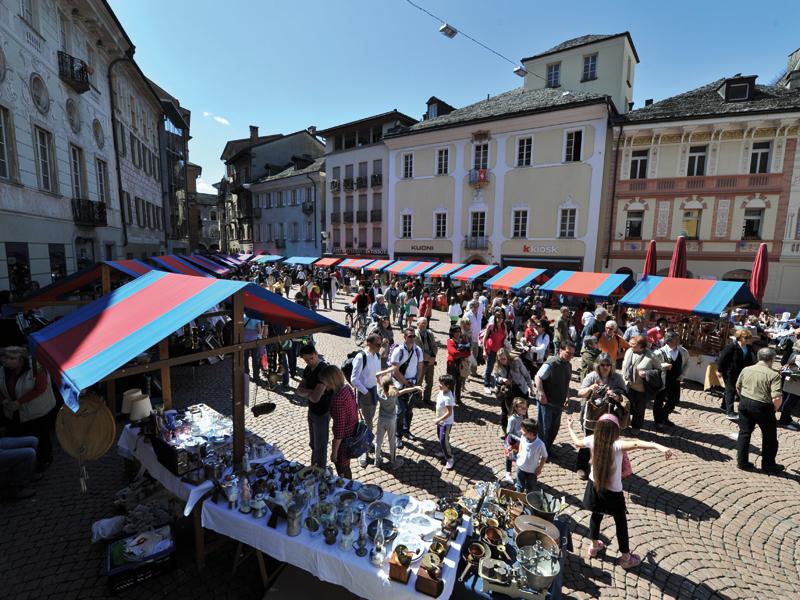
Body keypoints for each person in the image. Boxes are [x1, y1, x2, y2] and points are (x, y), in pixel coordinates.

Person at [565, 413, 673, 570]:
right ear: (615, 431)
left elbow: (576, 442)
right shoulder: (616, 445)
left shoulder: (592, 440)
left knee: (596, 515)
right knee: (620, 522)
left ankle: (594, 545)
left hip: (594, 486)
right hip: (613, 492)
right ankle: (626, 558)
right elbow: (636, 443)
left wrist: (569, 427)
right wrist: (659, 446)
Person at [1, 347, 57, 469]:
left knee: (41, 436)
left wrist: (19, 402)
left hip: (38, 411)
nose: (6, 363)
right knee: (21, 437)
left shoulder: (36, 366)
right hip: (15, 412)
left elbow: (41, 388)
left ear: (19, 358)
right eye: (4, 361)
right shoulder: (3, 370)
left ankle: (44, 461)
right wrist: (4, 400)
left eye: (10, 360)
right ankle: (26, 464)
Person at [576, 353, 628, 480]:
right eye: (602, 365)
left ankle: (602, 467)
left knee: (607, 443)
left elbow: (624, 396)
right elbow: (580, 393)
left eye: (608, 365)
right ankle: (581, 466)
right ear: (598, 365)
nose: (605, 367)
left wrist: (615, 396)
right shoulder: (592, 376)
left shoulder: (617, 378)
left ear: (612, 366)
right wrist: (590, 389)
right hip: (592, 415)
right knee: (588, 441)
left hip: (609, 416)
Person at [735, 347, 784, 472]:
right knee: (770, 437)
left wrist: (745, 399)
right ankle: (768, 464)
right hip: (763, 406)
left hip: (745, 402)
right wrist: (774, 409)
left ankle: (742, 462)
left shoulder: (747, 369)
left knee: (744, 433)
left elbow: (738, 387)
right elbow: (777, 397)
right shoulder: (774, 375)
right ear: (772, 360)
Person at [296, 344, 333, 469]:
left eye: (311, 358)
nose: (310, 362)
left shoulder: (324, 370)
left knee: (321, 446)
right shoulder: (308, 369)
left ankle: (319, 471)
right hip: (311, 411)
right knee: (313, 444)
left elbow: (315, 398)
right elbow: (298, 390)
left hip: (322, 412)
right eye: (306, 360)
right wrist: (312, 392)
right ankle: (314, 467)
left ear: (316, 354)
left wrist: (307, 392)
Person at [535, 342, 575, 453]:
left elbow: (566, 382)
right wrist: (541, 393)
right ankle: (539, 452)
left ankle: (547, 449)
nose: (570, 356)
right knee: (544, 429)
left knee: (554, 428)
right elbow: (538, 377)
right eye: (568, 353)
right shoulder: (551, 363)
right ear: (560, 350)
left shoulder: (568, 365)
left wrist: (567, 395)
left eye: (572, 354)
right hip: (547, 403)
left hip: (558, 403)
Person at [318, 365, 358, 479]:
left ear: (330, 381)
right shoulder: (347, 388)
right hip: (352, 433)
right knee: (346, 466)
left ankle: (347, 490)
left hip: (344, 442)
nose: (323, 384)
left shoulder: (337, 399)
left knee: (342, 468)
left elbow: (339, 430)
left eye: (324, 381)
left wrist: (334, 453)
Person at [373, 374, 418, 468]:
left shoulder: (379, 393)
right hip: (391, 421)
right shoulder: (394, 393)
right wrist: (415, 388)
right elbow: (405, 390)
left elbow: (378, 382)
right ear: (391, 384)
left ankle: (377, 460)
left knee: (378, 441)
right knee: (392, 440)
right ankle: (393, 461)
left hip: (381, 420)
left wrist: (378, 378)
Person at [350, 334, 382, 467]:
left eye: (380, 344)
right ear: (369, 343)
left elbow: (377, 375)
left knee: (370, 420)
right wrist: (366, 392)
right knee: (366, 423)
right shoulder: (361, 357)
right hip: (365, 394)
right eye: (377, 344)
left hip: (373, 391)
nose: (380, 347)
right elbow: (354, 379)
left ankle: (368, 442)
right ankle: (363, 451)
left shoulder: (377, 356)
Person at [390, 328, 425, 448]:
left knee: (409, 410)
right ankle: (397, 436)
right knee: (400, 412)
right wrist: (405, 382)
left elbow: (420, 367)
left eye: (413, 336)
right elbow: (394, 370)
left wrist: (416, 382)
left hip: (412, 385)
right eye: (409, 336)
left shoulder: (418, 350)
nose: (412, 339)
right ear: (404, 337)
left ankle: (406, 430)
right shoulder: (398, 351)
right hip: (399, 385)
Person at [621, 336, 661, 433]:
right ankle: (624, 423)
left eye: (633, 344)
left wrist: (647, 374)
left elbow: (659, 371)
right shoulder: (629, 351)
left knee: (639, 409)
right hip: (628, 385)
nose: (630, 346)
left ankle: (636, 427)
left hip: (641, 389)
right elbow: (624, 365)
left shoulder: (651, 356)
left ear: (641, 346)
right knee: (625, 405)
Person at [652, 331, 689, 430]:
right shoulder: (659, 352)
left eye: (678, 338)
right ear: (668, 341)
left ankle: (664, 416)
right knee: (659, 401)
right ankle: (658, 421)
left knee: (674, 401)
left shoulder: (683, 352)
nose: (678, 341)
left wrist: (682, 375)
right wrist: (662, 365)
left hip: (675, 380)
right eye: (676, 339)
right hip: (662, 381)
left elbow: (687, 364)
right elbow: (652, 365)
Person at [716, 330, 755, 420]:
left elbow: (749, 360)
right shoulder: (731, 347)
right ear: (740, 338)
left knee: (729, 390)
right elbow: (722, 358)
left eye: (749, 338)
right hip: (730, 372)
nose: (748, 340)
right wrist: (719, 370)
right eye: (746, 338)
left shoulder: (748, 348)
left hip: (741, 373)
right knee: (731, 390)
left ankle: (724, 405)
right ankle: (730, 412)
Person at [494, 347, 532, 432]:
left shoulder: (516, 361)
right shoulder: (497, 366)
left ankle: (526, 430)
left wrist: (531, 387)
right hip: (507, 392)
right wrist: (502, 380)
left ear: (507, 356)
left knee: (523, 411)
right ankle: (505, 431)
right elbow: (496, 378)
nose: (502, 361)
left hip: (520, 389)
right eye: (500, 360)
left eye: (504, 359)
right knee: (505, 411)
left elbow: (526, 374)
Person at [515, 418, 547, 493]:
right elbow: (521, 444)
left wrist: (539, 468)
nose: (520, 431)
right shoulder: (523, 437)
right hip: (520, 468)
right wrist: (519, 453)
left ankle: (528, 499)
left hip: (532, 471)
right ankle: (518, 496)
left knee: (531, 487)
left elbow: (544, 456)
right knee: (519, 485)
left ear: (530, 433)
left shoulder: (540, 444)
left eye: (523, 430)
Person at [482, 307, 508, 393]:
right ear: (495, 318)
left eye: (501, 317)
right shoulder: (491, 326)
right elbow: (484, 339)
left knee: (500, 369)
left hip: (500, 351)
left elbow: (506, 338)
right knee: (489, 368)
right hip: (492, 350)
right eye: (497, 317)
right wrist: (484, 351)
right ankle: (487, 385)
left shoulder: (504, 326)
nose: (499, 319)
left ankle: (498, 385)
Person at [434, 374, 456, 470]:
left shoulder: (448, 398)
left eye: (441, 384)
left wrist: (439, 419)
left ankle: (450, 458)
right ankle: (444, 451)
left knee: (443, 440)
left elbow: (449, 412)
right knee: (440, 437)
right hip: (441, 422)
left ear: (448, 386)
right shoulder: (442, 391)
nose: (439, 385)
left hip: (446, 423)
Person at [415, 317, 438, 407]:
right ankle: (417, 400)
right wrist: (429, 359)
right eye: (422, 323)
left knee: (429, 381)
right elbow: (418, 350)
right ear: (418, 324)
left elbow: (435, 346)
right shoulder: (416, 335)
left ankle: (427, 399)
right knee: (419, 381)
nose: (424, 324)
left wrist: (433, 357)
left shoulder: (429, 333)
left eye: (425, 323)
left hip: (431, 361)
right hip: (421, 361)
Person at [503, 398, 527, 482]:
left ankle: (520, 474)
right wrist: (519, 439)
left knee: (519, 457)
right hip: (511, 442)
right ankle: (508, 473)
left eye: (525, 407)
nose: (525, 409)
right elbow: (509, 432)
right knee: (509, 457)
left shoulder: (523, 416)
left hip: (519, 442)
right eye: (522, 408)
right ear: (516, 408)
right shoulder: (512, 419)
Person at [447, 325, 471, 405]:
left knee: (459, 383)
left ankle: (458, 400)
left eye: (458, 331)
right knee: (451, 383)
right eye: (455, 331)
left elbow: (468, 352)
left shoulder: (462, 340)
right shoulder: (450, 341)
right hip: (452, 365)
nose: (457, 333)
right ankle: (450, 400)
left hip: (460, 365)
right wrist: (463, 353)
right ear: (452, 332)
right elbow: (453, 353)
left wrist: (460, 353)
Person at [779, 352, 800, 431]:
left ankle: (787, 418)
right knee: (790, 401)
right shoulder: (796, 355)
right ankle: (783, 420)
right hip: (794, 382)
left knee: (791, 401)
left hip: (794, 383)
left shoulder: (795, 354)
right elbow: (789, 366)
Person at [466, 301, 482, 375]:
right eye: (474, 307)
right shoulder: (468, 315)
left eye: (477, 307)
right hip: (469, 338)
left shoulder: (479, 314)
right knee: (469, 356)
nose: (476, 308)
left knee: (475, 355)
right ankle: (467, 372)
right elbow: (464, 327)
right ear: (471, 306)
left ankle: (474, 372)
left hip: (477, 338)